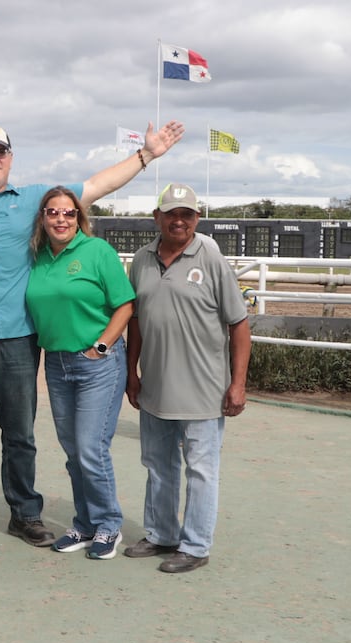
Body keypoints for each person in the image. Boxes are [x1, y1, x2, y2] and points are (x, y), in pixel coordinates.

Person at [0, 121, 184, 550]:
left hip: (19, 340)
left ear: (10, 158)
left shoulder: (37, 201)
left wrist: (148, 155)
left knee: (20, 436)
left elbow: (96, 185)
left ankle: (25, 514)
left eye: (0, 152)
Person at [124, 183, 251, 573]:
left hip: (203, 390)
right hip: (156, 389)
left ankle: (195, 546)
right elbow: (137, 322)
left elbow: (240, 324)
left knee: (200, 469)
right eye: (171, 213)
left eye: (188, 214)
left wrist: (238, 383)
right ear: (157, 217)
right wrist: (132, 372)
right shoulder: (142, 260)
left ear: (197, 219)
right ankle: (162, 534)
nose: (179, 221)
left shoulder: (209, 254)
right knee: (158, 465)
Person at [25, 187, 135, 560]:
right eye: (53, 212)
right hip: (56, 363)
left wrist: (101, 346)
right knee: (74, 451)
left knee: (91, 448)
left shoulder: (96, 251)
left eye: (68, 213)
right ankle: (85, 523)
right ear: (43, 217)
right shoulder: (37, 257)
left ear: (79, 218)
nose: (61, 219)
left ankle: (108, 525)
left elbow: (125, 305)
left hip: (97, 363)